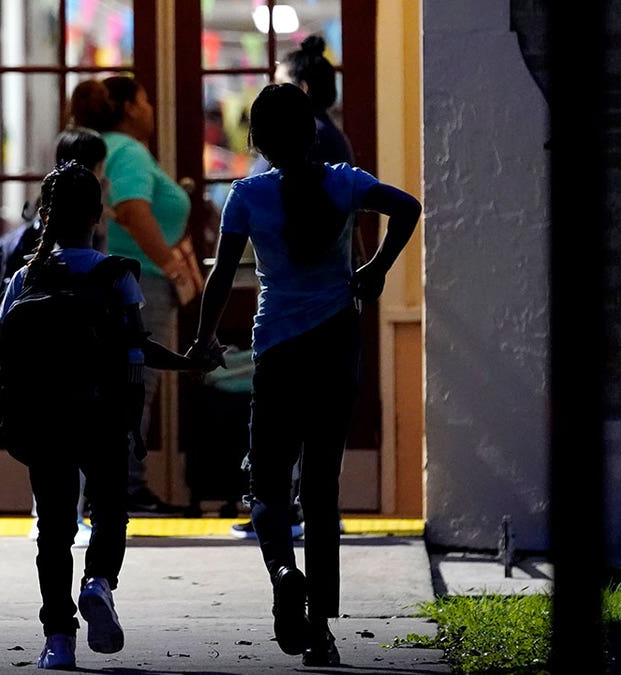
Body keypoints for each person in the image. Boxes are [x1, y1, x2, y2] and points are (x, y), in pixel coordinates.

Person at [187, 83, 422, 667]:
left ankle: (283, 571)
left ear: (258, 141)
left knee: (267, 484)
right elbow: (408, 209)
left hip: (279, 351)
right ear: (312, 132)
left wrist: (205, 338)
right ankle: (320, 629)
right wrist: (374, 270)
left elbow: (219, 280)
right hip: (337, 344)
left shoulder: (246, 196)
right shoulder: (346, 183)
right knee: (321, 488)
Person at [0, 161, 197, 670]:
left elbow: (1, 351)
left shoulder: (25, 277)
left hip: (45, 421)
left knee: (55, 531)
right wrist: (188, 362)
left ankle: (57, 640)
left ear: (45, 217)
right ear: (98, 216)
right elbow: (138, 347)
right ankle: (99, 582)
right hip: (104, 418)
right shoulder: (117, 276)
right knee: (110, 514)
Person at [234, 34, 357, 542]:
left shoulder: (315, 146)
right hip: (322, 308)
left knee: (286, 424)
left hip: (297, 311)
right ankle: (298, 517)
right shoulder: (332, 148)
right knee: (313, 423)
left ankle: (286, 523)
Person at [69, 75, 200, 514]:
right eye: (144, 98)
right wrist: (169, 263)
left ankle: (117, 484)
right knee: (133, 382)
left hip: (124, 279)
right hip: (137, 283)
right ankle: (124, 487)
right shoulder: (128, 151)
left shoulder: (112, 149)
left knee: (121, 384)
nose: (150, 107)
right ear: (127, 108)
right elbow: (132, 209)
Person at [22, 126, 112, 549]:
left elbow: (5, 341)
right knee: (83, 455)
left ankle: (50, 517)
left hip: (42, 382)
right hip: (89, 379)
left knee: (51, 459)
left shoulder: (46, 219)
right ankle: (76, 521)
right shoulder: (95, 237)